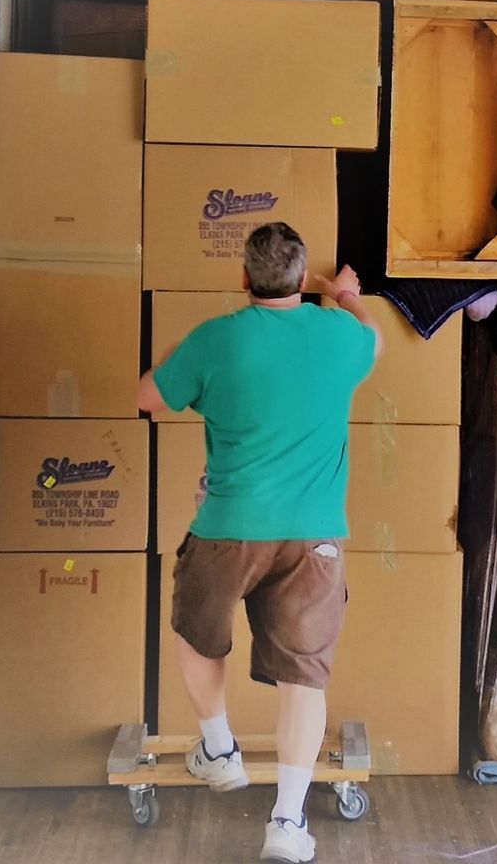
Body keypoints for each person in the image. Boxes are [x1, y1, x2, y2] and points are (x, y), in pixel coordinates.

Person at [137, 221, 380, 864]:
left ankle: (218, 751)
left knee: (196, 634)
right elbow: (374, 337)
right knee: (304, 677)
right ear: (302, 279)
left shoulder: (216, 340)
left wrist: (177, 353)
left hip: (229, 528)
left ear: (242, 278)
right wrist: (343, 291)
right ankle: (285, 823)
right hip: (314, 538)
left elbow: (148, 397)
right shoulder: (339, 337)